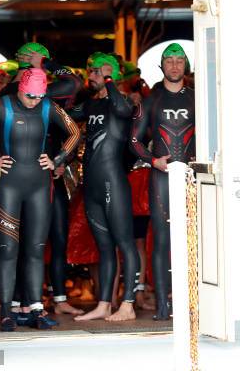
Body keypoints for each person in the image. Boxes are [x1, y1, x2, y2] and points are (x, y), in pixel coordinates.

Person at [0, 68, 81, 331]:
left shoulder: (47, 105)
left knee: (35, 249)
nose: (34, 101)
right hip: (8, 184)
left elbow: (74, 132)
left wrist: (57, 159)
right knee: (8, 250)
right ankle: (7, 311)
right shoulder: (2, 106)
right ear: (20, 89)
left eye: (39, 96)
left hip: (39, 185)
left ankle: (36, 309)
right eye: (30, 96)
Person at [69, 52, 141, 322]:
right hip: (92, 187)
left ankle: (129, 304)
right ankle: (104, 304)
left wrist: (110, 79)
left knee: (124, 243)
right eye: (92, 72)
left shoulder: (121, 101)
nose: (92, 76)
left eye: (97, 72)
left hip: (114, 183)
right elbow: (63, 115)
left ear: (111, 73)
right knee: (104, 247)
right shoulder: (90, 104)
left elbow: (123, 111)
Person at [130, 43, 195, 320]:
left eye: (179, 61)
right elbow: (133, 140)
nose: (175, 66)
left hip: (191, 178)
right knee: (162, 242)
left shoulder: (196, 99)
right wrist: (153, 160)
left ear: (186, 66)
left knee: (193, 241)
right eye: (169, 61)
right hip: (161, 178)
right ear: (161, 66)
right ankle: (162, 306)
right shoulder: (150, 101)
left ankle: (192, 301)